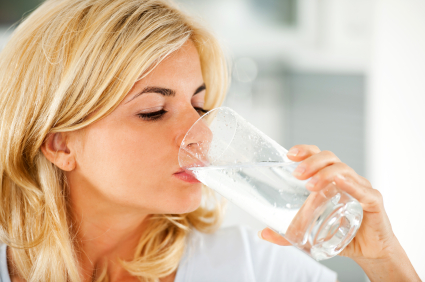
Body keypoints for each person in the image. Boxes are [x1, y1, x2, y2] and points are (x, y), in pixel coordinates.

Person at [0, 0, 420, 281]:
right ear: (58, 144)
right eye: (153, 111)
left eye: (200, 106)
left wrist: (383, 259)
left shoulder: (254, 268)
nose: (201, 134)